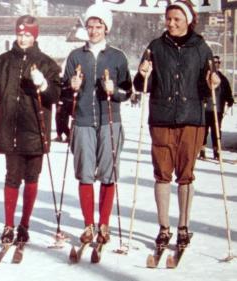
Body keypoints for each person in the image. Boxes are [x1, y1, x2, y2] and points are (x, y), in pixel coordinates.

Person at [134, 1, 219, 250]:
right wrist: (142, 73)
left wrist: (213, 83)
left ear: (188, 20)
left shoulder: (201, 48)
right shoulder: (155, 47)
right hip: (161, 117)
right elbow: (142, 86)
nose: (170, 23)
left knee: (186, 175)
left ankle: (183, 226)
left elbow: (205, 89)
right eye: (168, 19)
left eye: (176, 19)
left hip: (192, 119)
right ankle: (163, 227)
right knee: (162, 172)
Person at [0, 15, 61, 244]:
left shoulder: (47, 63)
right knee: (12, 177)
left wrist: (43, 84)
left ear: (35, 36)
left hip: (35, 130)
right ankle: (8, 225)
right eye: (20, 34)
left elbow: (56, 95)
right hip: (10, 129)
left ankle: (24, 224)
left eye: (28, 35)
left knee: (32, 178)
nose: (23, 39)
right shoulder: (2, 62)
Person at [63, 3, 132, 246]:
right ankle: (88, 224)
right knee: (84, 172)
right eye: (90, 26)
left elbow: (128, 90)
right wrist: (72, 87)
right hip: (82, 120)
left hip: (109, 121)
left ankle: (104, 222)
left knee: (107, 172)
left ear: (106, 28)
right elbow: (63, 92)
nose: (93, 31)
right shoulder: (75, 56)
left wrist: (115, 91)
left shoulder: (117, 56)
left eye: (98, 26)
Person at [199, 55, 234, 160]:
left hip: (217, 110)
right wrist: (203, 98)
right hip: (205, 109)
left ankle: (216, 151)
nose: (216, 65)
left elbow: (227, 91)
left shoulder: (222, 79)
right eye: (214, 63)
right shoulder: (204, 77)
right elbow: (199, 91)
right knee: (204, 130)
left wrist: (230, 100)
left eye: (218, 63)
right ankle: (202, 150)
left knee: (216, 131)